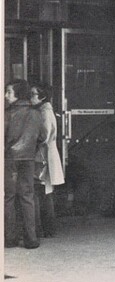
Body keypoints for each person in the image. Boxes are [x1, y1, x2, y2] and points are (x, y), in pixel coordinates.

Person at [5, 79, 46, 249]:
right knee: (27, 197)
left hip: (9, 159)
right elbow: (43, 137)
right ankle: (31, 239)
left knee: (8, 197)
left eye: (8, 92)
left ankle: (10, 238)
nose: (5, 96)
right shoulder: (36, 114)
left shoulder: (7, 114)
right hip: (28, 159)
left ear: (17, 94)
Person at [31, 83, 65, 238]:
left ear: (42, 96)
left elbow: (44, 136)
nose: (31, 98)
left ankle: (46, 228)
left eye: (33, 94)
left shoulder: (44, 113)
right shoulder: (45, 111)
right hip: (46, 154)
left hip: (43, 155)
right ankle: (48, 228)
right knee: (45, 192)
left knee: (43, 191)